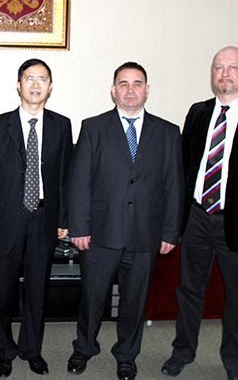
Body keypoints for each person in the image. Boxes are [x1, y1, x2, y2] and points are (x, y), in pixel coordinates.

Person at [161, 47, 238, 380]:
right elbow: (184, 169)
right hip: (197, 217)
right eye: (219, 67)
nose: (225, 74)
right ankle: (182, 352)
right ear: (212, 73)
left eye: (233, 67)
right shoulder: (198, 112)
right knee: (189, 291)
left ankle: (234, 363)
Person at [66, 62, 184, 380]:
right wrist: (79, 227)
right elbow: (80, 182)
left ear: (147, 89)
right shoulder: (93, 127)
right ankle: (84, 348)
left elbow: (174, 186)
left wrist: (170, 231)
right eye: (123, 83)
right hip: (100, 233)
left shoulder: (168, 132)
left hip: (146, 234)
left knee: (134, 300)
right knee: (92, 297)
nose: (130, 90)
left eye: (137, 83)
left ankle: (127, 355)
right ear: (113, 90)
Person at [0, 58, 73, 378]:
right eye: (29, 78)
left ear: (50, 86)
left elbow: (65, 178)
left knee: (37, 292)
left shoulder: (62, 125)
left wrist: (64, 218)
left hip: (44, 220)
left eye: (42, 78)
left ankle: (32, 350)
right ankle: (3, 351)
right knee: (2, 292)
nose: (35, 84)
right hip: (6, 221)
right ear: (18, 85)